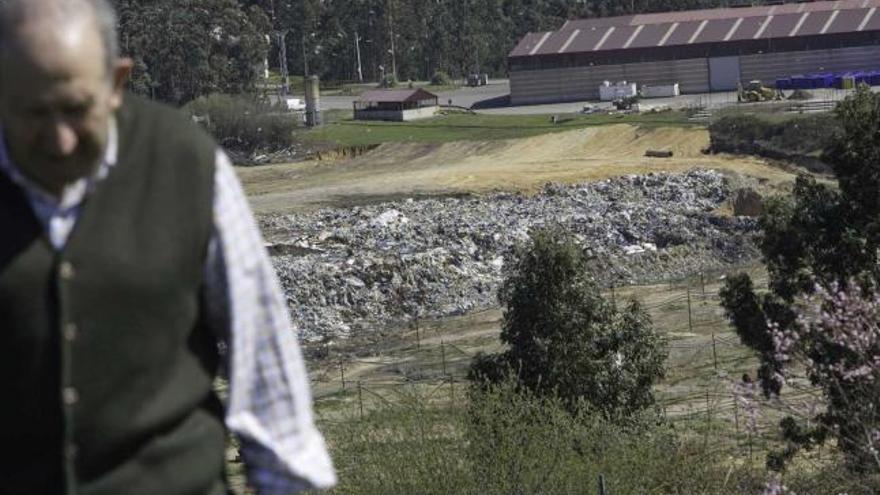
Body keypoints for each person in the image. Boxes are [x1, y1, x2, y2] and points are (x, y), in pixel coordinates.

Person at [0, 0, 335, 493]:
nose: (60, 140)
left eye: (76, 110)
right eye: (34, 113)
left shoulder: (187, 163)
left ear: (116, 83)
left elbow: (266, 376)